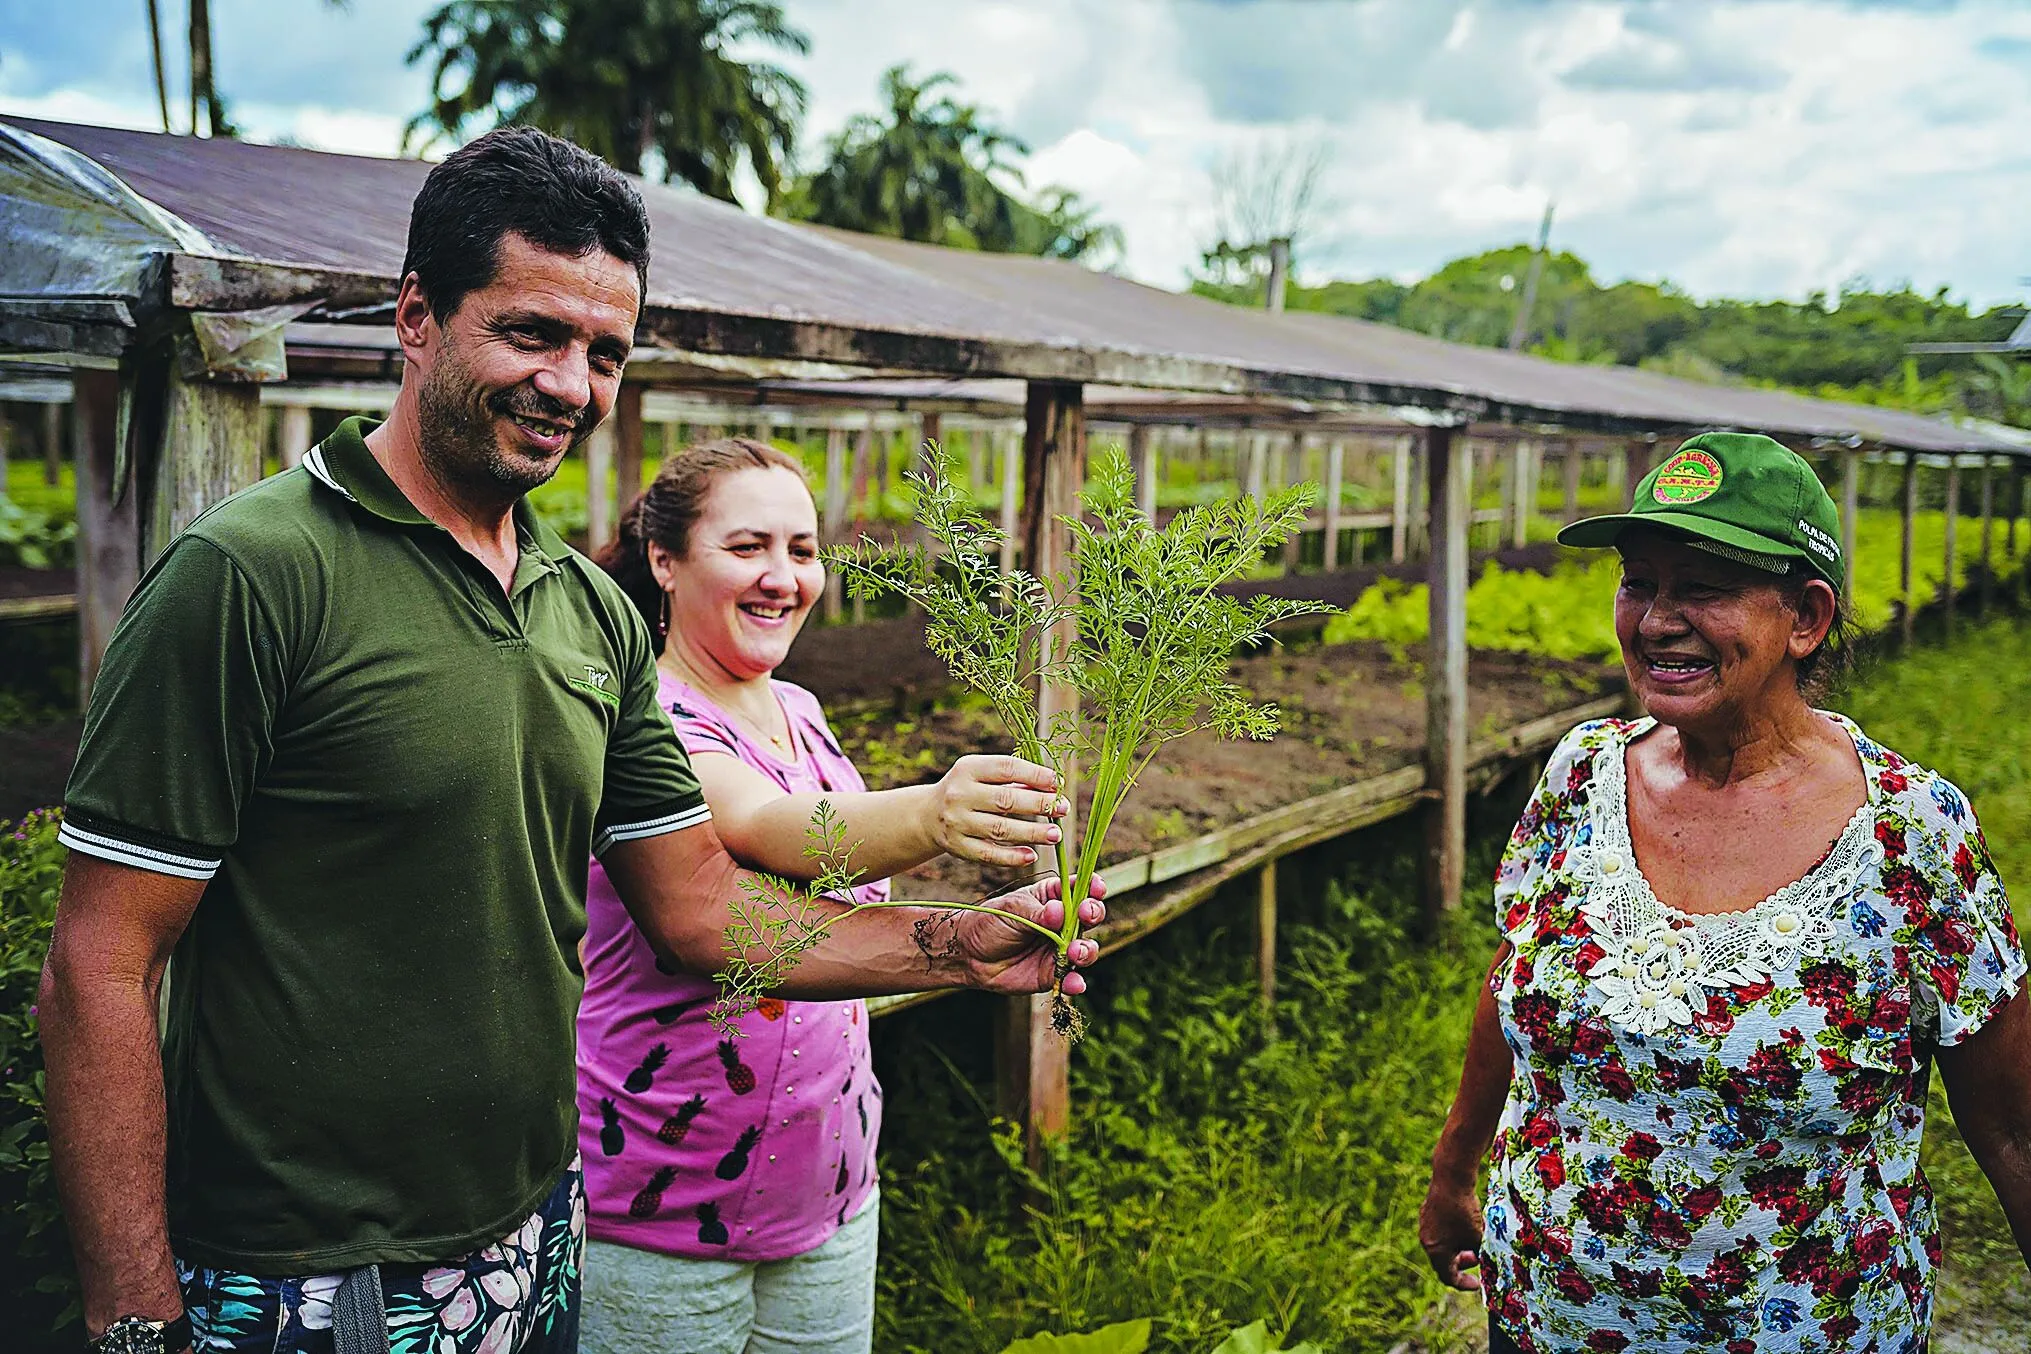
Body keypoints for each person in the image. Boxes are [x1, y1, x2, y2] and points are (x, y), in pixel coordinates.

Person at [38, 127, 1100, 1354]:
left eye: (605, 352)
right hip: (301, 1273)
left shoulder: (584, 607)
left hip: (532, 1236)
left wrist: (950, 946)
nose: (569, 384)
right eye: (533, 332)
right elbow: (100, 966)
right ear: (418, 314)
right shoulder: (257, 573)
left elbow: (704, 904)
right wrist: (131, 1318)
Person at [1419, 432, 2031, 1352]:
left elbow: (2014, 1130)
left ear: (1805, 618)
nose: (1657, 619)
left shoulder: (1910, 833)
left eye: (1702, 588)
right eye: (1639, 582)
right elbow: (1514, 979)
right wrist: (1453, 1165)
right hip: (1547, 1314)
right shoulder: (1582, 774)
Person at [570, 437, 1066, 1353]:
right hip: (660, 1197)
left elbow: (833, 889)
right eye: (747, 547)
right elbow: (763, 823)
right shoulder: (642, 719)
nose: (782, 577)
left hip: (831, 1178)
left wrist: (970, 929)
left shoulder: (796, 706)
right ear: (664, 559)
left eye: (801, 551)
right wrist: (932, 812)